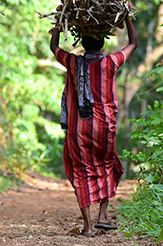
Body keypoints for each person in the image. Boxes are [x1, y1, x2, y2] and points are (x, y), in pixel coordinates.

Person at [49, 16, 138, 237]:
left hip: (78, 128)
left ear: (83, 42)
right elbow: (133, 43)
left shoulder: (72, 62)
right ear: (103, 43)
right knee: (106, 164)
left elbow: (54, 46)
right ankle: (103, 215)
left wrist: (60, 24)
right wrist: (127, 17)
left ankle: (88, 226)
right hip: (104, 127)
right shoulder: (111, 62)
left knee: (82, 171)